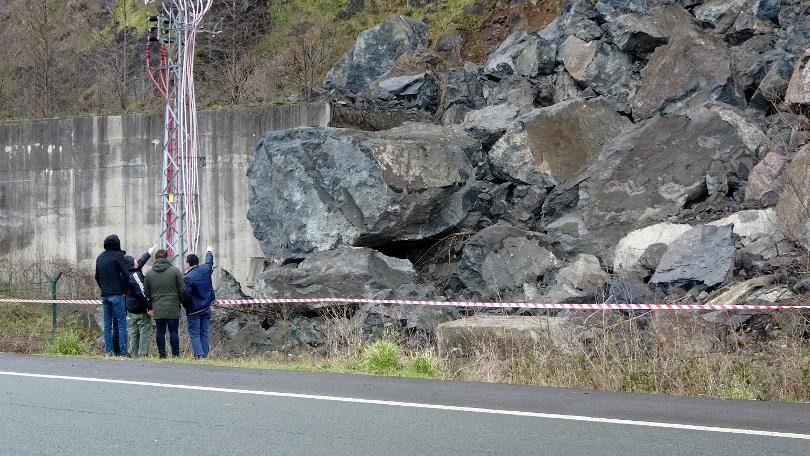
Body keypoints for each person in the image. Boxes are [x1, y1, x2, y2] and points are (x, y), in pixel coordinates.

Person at [144, 249, 185, 358]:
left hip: (158, 307)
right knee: (173, 332)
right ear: (166, 257)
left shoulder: (149, 274)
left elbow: (146, 292)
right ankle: (176, 355)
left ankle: (162, 355)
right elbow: (182, 290)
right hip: (173, 306)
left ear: (155, 258)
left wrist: (152, 303)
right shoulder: (175, 271)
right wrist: (180, 301)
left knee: (160, 332)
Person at [95, 234, 130, 357]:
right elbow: (126, 275)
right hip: (117, 294)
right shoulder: (118, 256)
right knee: (121, 323)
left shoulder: (100, 257)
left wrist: (103, 288)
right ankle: (123, 351)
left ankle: (108, 352)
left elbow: (97, 276)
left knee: (107, 324)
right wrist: (124, 290)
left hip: (105, 295)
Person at [124, 243, 158, 357]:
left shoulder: (127, 273)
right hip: (140, 308)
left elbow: (140, 262)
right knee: (145, 331)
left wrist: (149, 252)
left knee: (134, 332)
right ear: (132, 265)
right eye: (135, 260)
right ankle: (143, 354)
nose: (137, 261)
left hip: (131, 308)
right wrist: (150, 306)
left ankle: (134, 354)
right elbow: (142, 293)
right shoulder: (135, 276)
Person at [184, 246, 215, 359]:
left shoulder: (187, 277)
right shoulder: (205, 270)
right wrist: (209, 251)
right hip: (207, 307)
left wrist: (185, 305)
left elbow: (186, 295)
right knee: (204, 333)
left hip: (194, 309)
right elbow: (209, 261)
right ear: (197, 262)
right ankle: (205, 355)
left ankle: (200, 355)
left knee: (194, 334)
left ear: (188, 264)